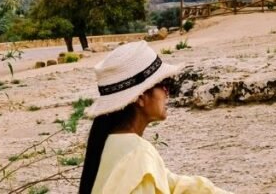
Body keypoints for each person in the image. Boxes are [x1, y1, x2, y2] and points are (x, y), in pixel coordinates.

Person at [79, 41, 232, 194]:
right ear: (140, 97)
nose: (167, 92)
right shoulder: (139, 155)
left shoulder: (109, 142)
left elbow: (173, 183)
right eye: (164, 84)